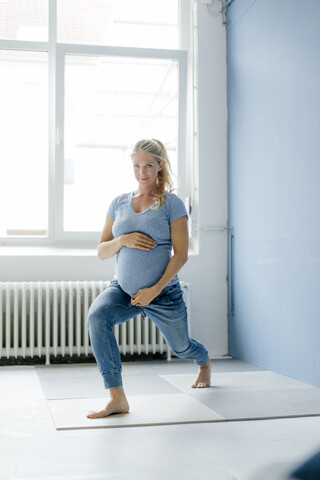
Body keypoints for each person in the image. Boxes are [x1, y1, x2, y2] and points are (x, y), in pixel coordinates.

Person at [87, 139, 211, 419]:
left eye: (148, 166)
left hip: (163, 294)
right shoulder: (118, 203)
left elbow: (180, 255)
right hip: (123, 291)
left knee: (182, 348)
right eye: (136, 166)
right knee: (97, 316)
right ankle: (117, 398)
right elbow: (101, 251)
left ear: (160, 166)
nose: (141, 172)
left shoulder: (172, 204)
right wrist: (123, 239)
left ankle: (204, 362)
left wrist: (154, 290)